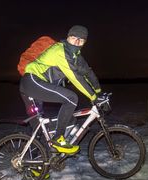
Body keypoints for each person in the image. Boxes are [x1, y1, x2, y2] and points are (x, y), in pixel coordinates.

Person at [19, 25, 101, 155]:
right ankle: (58, 139)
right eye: (74, 38)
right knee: (72, 98)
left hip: (37, 86)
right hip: (32, 81)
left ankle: (37, 166)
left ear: (84, 42)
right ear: (68, 37)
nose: (77, 42)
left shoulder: (76, 56)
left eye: (81, 40)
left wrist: (98, 91)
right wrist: (94, 97)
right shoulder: (60, 50)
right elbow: (76, 78)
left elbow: (87, 73)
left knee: (40, 130)